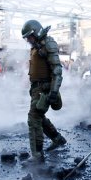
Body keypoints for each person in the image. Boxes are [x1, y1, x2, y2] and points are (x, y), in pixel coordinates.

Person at [21, 19, 67, 162]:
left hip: (44, 89)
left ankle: (37, 155)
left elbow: (57, 70)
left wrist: (53, 92)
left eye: (29, 36)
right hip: (37, 88)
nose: (28, 40)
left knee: (33, 118)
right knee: (39, 116)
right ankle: (57, 138)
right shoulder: (37, 45)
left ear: (36, 32)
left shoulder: (48, 43)